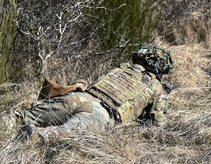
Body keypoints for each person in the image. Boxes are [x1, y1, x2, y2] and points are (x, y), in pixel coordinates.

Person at [18, 44, 173, 140]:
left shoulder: (121, 67)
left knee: (25, 116)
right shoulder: (156, 86)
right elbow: (157, 124)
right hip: (100, 113)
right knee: (59, 134)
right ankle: (34, 136)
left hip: (79, 98)